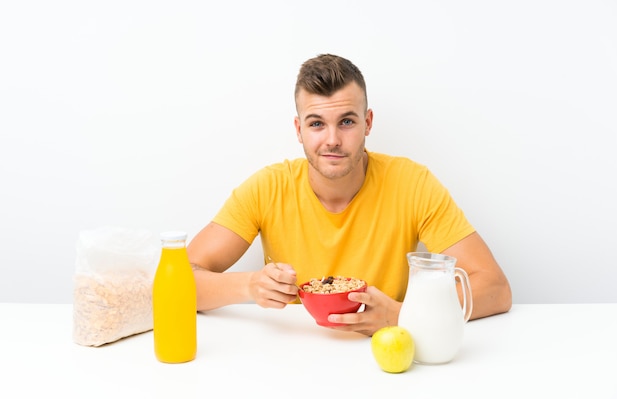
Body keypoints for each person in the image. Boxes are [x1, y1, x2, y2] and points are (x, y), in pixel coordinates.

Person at [187, 54, 512, 336]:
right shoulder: (267, 188)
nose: (332, 140)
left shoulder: (412, 184)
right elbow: (176, 281)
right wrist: (248, 286)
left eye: (346, 121)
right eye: (316, 124)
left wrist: (402, 315)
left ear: (367, 123)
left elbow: (495, 289)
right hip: (293, 354)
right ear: (299, 129)